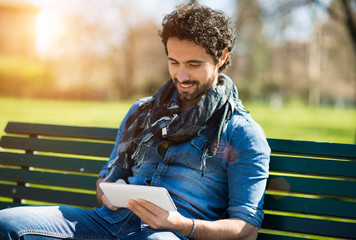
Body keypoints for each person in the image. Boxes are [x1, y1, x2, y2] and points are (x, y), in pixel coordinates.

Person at [0, 3, 270, 240]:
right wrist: (109, 192)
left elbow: (246, 229)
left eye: (193, 64)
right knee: (7, 224)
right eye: (173, 62)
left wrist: (180, 225)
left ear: (221, 57)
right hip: (107, 222)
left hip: (170, 235)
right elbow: (107, 179)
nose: (182, 75)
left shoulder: (241, 133)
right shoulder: (142, 112)